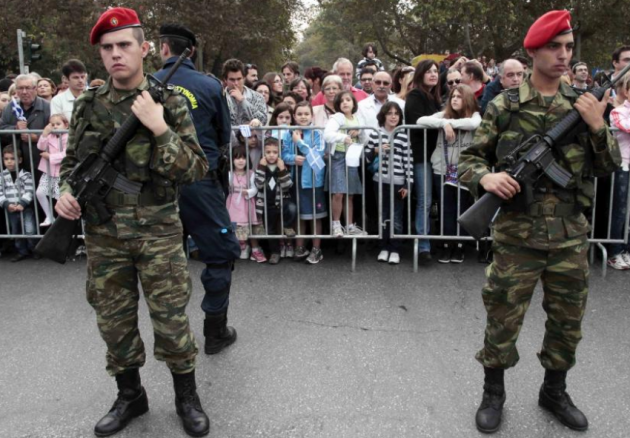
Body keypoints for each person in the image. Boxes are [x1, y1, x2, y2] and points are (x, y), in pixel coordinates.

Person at [458, 10, 621, 434]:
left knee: (567, 321)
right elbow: (469, 159)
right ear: (533, 51)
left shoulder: (584, 104)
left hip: (569, 235)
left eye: (568, 47)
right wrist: (486, 178)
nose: (564, 55)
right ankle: (493, 393)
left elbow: (609, 166)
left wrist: (597, 125)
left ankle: (554, 391)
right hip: (517, 235)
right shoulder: (504, 105)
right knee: (503, 317)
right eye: (554, 47)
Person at [55, 9, 211, 436]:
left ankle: (186, 397)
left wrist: (159, 128)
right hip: (104, 234)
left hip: (158, 231)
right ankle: (130, 396)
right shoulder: (87, 104)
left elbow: (195, 169)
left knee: (171, 320)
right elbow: (72, 163)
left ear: (145, 49)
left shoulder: (170, 103)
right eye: (107, 48)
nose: (115, 54)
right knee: (114, 322)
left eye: (124, 45)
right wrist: (65, 192)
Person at [155, 23, 241, 362]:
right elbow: (224, 134)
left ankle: (172, 339)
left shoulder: (147, 85)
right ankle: (215, 332)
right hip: (201, 182)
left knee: (164, 265)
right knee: (218, 255)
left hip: (159, 186)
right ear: (190, 51)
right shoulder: (208, 85)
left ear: (164, 48)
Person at [417, 84, 481, 263]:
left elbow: (473, 124)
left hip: (465, 170)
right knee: (446, 208)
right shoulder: (444, 115)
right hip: (442, 169)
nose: (454, 100)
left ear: (467, 99)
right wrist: (444, 123)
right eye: (453, 96)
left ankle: (459, 245)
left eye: (459, 97)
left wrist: (450, 124)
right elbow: (420, 120)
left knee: (462, 208)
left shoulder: (474, 115)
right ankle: (446, 244)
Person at [365, 102, 412, 264]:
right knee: (383, 215)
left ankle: (395, 248)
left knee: (396, 216)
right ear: (383, 116)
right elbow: (365, 158)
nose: (393, 116)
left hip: (398, 182)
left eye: (396, 113)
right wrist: (376, 150)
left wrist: (408, 184)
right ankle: (383, 247)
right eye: (389, 113)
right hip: (379, 182)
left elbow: (408, 161)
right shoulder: (375, 134)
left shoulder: (403, 136)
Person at [404, 60, 441, 263]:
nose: (433, 74)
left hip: (439, 157)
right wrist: (444, 122)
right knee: (424, 201)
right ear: (420, 75)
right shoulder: (415, 95)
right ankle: (423, 246)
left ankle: (446, 243)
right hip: (422, 156)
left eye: (436, 71)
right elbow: (417, 121)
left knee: (440, 199)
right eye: (429, 71)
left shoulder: (435, 97)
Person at [283, 101, 326, 264]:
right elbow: (284, 154)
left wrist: (300, 143)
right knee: (300, 215)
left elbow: (318, 156)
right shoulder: (289, 132)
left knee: (315, 216)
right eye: (299, 114)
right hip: (296, 180)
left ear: (312, 116)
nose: (303, 117)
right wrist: (293, 158)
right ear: (294, 116)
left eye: (306, 114)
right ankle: (300, 247)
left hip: (313, 181)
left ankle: (316, 249)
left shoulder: (317, 132)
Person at [324, 90, 369, 237]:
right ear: (338, 104)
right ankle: (336, 225)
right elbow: (327, 134)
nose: (345, 103)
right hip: (338, 156)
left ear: (353, 103)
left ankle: (349, 226)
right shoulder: (337, 117)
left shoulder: (358, 118)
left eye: (348, 100)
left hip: (352, 157)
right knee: (338, 192)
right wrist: (343, 137)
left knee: (350, 193)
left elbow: (365, 140)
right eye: (342, 101)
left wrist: (359, 132)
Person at [0, 74, 51, 180]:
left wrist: (36, 137)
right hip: (16, 164)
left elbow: (57, 132)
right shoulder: (10, 107)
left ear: (35, 89)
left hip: (40, 162)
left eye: (27, 88)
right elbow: (2, 129)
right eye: (20, 88)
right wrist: (15, 129)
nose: (24, 92)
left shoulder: (47, 107)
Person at [254, 138, 297, 264]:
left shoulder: (282, 166)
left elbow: (287, 185)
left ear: (279, 153)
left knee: (292, 208)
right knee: (270, 229)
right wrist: (262, 167)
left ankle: (287, 226)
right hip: (267, 203)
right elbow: (259, 184)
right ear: (263, 153)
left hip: (281, 201)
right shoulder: (261, 166)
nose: (271, 155)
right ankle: (275, 252)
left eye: (275, 152)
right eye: (268, 152)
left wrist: (282, 169)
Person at [607, 73, 630, 269]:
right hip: (623, 166)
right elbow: (625, 127)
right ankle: (615, 252)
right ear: (627, 91)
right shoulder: (617, 112)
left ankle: (627, 250)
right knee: (620, 211)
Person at [226, 146, 265, 261]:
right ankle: (242, 245)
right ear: (232, 160)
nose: (241, 161)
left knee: (250, 227)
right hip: (233, 204)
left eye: (243, 158)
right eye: (237, 158)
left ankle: (255, 249)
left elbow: (255, 188)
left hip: (247, 203)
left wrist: (248, 192)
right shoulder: (229, 174)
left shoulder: (251, 173)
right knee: (236, 226)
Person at [0, 145, 36, 262]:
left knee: (30, 229)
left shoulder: (26, 175)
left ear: (20, 160)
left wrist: (22, 203)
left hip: (25, 208)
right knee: (16, 231)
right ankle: (21, 251)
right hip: (10, 208)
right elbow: (0, 192)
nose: (9, 161)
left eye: (12, 158)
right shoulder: (2, 176)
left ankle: (33, 249)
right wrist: (6, 204)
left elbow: (29, 191)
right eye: (6, 159)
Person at [35, 113, 68, 227]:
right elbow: (40, 147)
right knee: (40, 192)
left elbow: (66, 154)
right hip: (48, 171)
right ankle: (49, 216)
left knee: (60, 198)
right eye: (52, 124)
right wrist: (44, 134)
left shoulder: (68, 137)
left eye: (58, 124)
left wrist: (50, 157)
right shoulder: (50, 136)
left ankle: (61, 221)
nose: (55, 127)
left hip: (61, 172)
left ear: (66, 125)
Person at [222, 58, 268, 126]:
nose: (236, 83)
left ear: (244, 78)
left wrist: (243, 101)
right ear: (225, 80)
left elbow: (263, 119)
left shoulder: (257, 97)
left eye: (239, 79)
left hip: (251, 133)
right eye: (232, 79)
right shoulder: (220, 97)